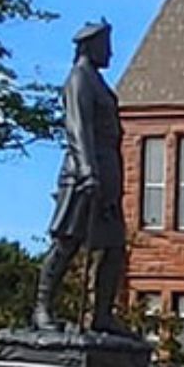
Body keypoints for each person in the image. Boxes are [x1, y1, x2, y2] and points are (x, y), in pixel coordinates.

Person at [33, 20, 128, 333]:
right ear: (90, 47)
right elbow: (77, 127)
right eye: (105, 46)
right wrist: (87, 170)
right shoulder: (79, 79)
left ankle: (102, 315)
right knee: (67, 242)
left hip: (108, 172)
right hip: (83, 173)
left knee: (113, 247)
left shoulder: (97, 81)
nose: (110, 53)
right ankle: (42, 308)